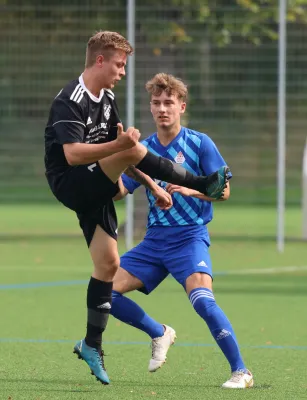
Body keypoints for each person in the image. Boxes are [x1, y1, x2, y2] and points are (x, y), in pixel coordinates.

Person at [44, 32, 229, 385]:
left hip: (95, 187)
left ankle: (92, 344)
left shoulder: (107, 98)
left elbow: (119, 153)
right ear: (100, 60)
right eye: (119, 64)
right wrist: (121, 147)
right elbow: (72, 154)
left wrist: (152, 185)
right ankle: (201, 182)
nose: (122, 71)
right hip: (71, 181)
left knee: (108, 265)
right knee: (131, 148)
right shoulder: (70, 99)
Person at [111, 73, 254, 389]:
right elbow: (121, 190)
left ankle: (241, 372)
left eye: (169, 103)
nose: (162, 109)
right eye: (157, 103)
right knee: (104, 295)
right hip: (154, 242)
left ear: (181, 106)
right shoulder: (142, 149)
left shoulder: (200, 143)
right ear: (150, 108)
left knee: (203, 301)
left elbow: (224, 192)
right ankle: (159, 332)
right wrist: (99, 172)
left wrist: (194, 191)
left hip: (189, 237)